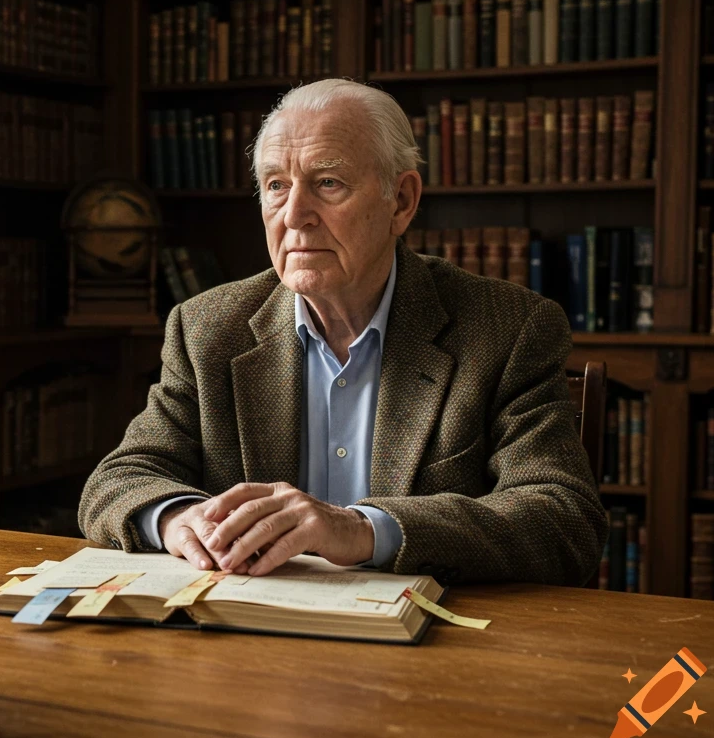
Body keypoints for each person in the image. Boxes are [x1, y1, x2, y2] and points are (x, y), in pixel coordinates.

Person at [78, 79, 606, 586]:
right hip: (248, 641)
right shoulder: (208, 328)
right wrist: (176, 518)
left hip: (428, 652)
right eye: (276, 186)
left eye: (328, 183)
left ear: (401, 201)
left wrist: (361, 529)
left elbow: (562, 519)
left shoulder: (506, 328)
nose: (295, 216)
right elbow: (119, 479)